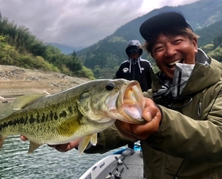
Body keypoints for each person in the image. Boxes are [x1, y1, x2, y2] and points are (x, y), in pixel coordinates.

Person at [21, 10, 222, 178]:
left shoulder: (218, 87)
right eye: (159, 47)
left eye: (177, 41)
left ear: (194, 44)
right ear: (153, 56)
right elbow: (117, 125)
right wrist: (76, 138)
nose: (169, 52)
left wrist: (161, 122)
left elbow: (217, 138)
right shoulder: (154, 95)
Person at [114, 40, 152, 151]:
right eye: (131, 52)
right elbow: (116, 80)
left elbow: (152, 80)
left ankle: (144, 148)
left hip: (144, 98)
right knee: (128, 121)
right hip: (127, 100)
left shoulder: (146, 64)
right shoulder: (124, 65)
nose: (133, 54)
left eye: (136, 51)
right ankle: (130, 147)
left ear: (140, 52)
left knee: (144, 121)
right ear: (128, 53)